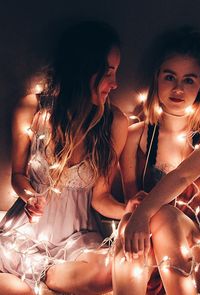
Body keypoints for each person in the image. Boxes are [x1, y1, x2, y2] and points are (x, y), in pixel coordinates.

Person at [0, 21, 135, 295]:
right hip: (27, 233)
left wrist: (131, 211)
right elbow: (17, 175)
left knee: (109, 271)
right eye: (108, 72)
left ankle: (49, 276)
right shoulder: (32, 109)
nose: (115, 83)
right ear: (84, 69)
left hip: (78, 240)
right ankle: (28, 277)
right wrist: (29, 196)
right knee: (19, 291)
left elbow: (101, 197)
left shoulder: (114, 123)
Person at [113, 27, 200, 295]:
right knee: (128, 228)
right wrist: (134, 214)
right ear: (156, 77)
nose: (178, 88)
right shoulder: (137, 135)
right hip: (152, 255)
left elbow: (182, 176)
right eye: (170, 77)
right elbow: (133, 208)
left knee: (166, 216)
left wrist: (144, 212)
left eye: (189, 80)